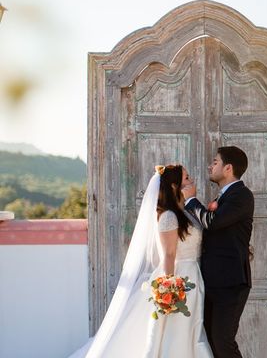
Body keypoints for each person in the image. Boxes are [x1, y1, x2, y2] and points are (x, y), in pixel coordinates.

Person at [70, 165, 212, 358]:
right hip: (180, 278)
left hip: (193, 275)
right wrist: (169, 288)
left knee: (190, 329)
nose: (192, 181)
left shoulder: (184, 211)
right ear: (174, 186)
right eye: (187, 178)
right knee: (176, 331)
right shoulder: (168, 216)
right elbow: (169, 254)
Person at [183, 146, 254, 358]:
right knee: (212, 342)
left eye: (215, 162)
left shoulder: (242, 195)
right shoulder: (223, 196)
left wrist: (190, 200)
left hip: (231, 283)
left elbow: (213, 222)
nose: (210, 165)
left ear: (228, 168)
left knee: (223, 342)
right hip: (213, 281)